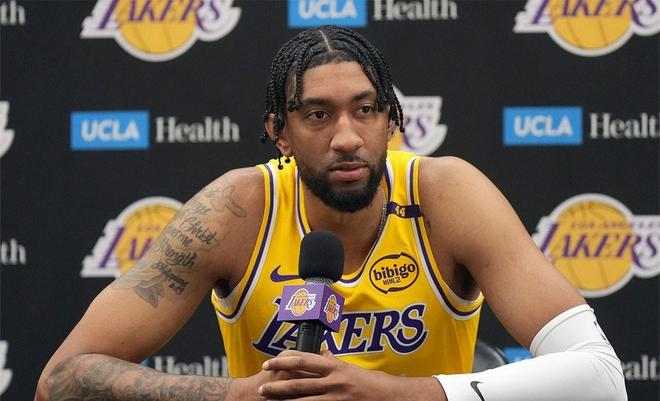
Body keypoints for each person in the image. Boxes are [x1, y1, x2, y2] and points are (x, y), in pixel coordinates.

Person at [35, 26, 627, 401]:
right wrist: (239, 395)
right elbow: (61, 379)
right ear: (279, 132)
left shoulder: (447, 194)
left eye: (365, 110)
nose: (346, 137)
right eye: (318, 115)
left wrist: (389, 394)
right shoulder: (236, 209)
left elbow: (600, 376)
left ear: (393, 121)